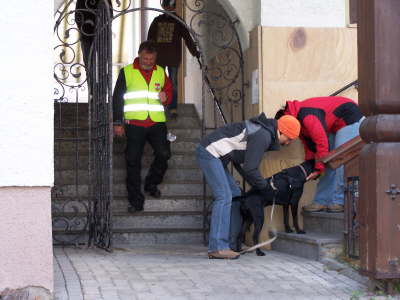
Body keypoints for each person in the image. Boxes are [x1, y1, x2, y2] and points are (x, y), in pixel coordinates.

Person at [196, 113, 301, 259]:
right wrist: (265, 188)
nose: (288, 143)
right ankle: (217, 248)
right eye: (289, 139)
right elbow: (250, 168)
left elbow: (242, 163)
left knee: (234, 194)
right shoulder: (263, 136)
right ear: (281, 132)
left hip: (219, 157)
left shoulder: (264, 132)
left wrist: (257, 185)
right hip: (209, 152)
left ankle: (232, 244)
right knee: (224, 196)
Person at [113, 40, 173, 213]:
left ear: (155, 58)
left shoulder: (161, 72)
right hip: (134, 123)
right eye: (145, 58)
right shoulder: (127, 72)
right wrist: (118, 122)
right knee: (132, 161)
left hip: (156, 122)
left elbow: (169, 90)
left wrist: (166, 97)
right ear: (139, 55)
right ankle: (136, 202)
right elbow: (118, 97)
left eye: (151, 59)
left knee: (164, 154)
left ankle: (151, 184)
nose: (148, 62)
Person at [275, 96, 364, 213]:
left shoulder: (307, 116)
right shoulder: (298, 123)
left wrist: (318, 169)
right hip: (335, 126)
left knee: (339, 159)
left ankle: (340, 201)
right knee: (327, 162)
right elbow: (310, 146)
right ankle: (321, 201)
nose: (288, 142)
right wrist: (312, 166)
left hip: (350, 118)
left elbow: (321, 141)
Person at [147, 0, 200, 119]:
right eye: (167, 6)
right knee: (158, 84)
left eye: (171, 6)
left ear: (174, 7)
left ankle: (173, 108)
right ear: (164, 6)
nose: (168, 8)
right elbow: (149, 39)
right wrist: (147, 57)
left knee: (173, 84)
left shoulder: (178, 21)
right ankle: (159, 106)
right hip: (159, 59)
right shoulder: (157, 21)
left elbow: (187, 38)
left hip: (173, 59)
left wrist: (195, 52)